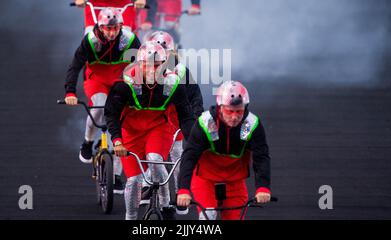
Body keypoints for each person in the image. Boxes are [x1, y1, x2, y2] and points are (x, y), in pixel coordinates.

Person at [104, 42, 195, 220]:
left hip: (158, 128)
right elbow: (111, 113)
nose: (152, 70)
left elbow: (186, 115)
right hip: (131, 133)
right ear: (139, 64)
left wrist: (193, 140)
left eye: (157, 65)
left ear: (164, 65)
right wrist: (117, 140)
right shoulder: (125, 83)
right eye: (147, 64)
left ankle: (165, 203)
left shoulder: (172, 82)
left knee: (155, 159)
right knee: (134, 181)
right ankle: (130, 217)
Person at [64, 7, 141, 194]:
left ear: (121, 26)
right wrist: (70, 92)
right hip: (96, 79)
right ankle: (88, 142)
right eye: (108, 28)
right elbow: (75, 66)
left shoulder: (129, 39)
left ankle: (115, 175)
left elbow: (140, 65)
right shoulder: (90, 40)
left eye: (116, 28)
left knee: (123, 123)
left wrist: (140, 90)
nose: (112, 32)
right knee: (98, 109)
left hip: (120, 79)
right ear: (100, 26)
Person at [176, 81, 271, 220]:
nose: (234, 117)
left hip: (235, 182)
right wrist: (183, 189)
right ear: (220, 107)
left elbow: (261, 157)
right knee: (207, 216)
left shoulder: (250, 124)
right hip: (205, 180)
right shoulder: (207, 122)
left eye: (239, 111)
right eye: (229, 111)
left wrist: (263, 187)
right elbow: (189, 156)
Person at [140, 31, 203, 205]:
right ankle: (150, 184)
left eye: (165, 51)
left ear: (172, 52)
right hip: (155, 118)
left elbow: (195, 96)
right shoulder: (142, 71)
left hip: (178, 118)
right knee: (150, 154)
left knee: (177, 154)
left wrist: (196, 117)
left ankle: (181, 192)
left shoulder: (181, 71)